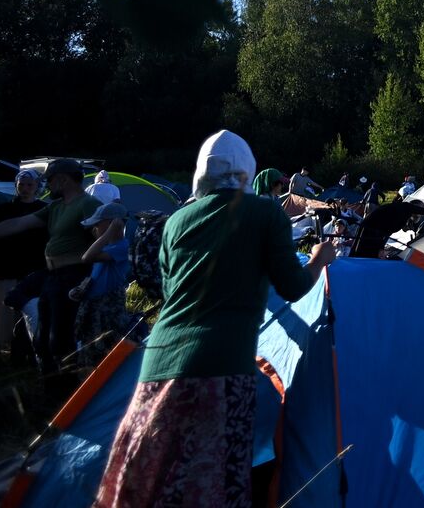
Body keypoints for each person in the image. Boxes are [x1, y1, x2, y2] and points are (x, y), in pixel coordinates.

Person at [96, 131, 334, 506]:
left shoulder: (177, 220)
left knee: (152, 483)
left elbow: (170, 289)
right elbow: (291, 286)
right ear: (247, 171)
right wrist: (320, 258)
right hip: (220, 369)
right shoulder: (263, 212)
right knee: (212, 486)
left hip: (156, 363)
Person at [0, 158, 100, 374]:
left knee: (61, 336)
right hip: (52, 276)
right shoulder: (55, 207)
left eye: (50, 180)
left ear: (63, 180)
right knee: (43, 337)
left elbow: (107, 237)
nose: (48, 185)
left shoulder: (88, 204)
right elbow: (18, 223)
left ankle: (67, 383)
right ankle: (50, 383)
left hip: (72, 276)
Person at [0, 168, 46, 360]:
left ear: (36, 187)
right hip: (4, 266)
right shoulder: (3, 209)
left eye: (29, 185)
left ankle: (23, 352)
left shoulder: (43, 209)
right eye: (21, 185)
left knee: (26, 312)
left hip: (32, 266)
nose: (25, 188)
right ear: (16, 186)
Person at [72, 202, 134, 366]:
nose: (94, 228)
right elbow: (96, 275)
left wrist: (107, 234)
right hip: (94, 306)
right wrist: (81, 289)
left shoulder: (121, 247)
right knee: (89, 354)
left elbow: (87, 258)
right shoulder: (108, 246)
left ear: (112, 223)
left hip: (107, 311)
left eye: (97, 224)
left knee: (103, 354)